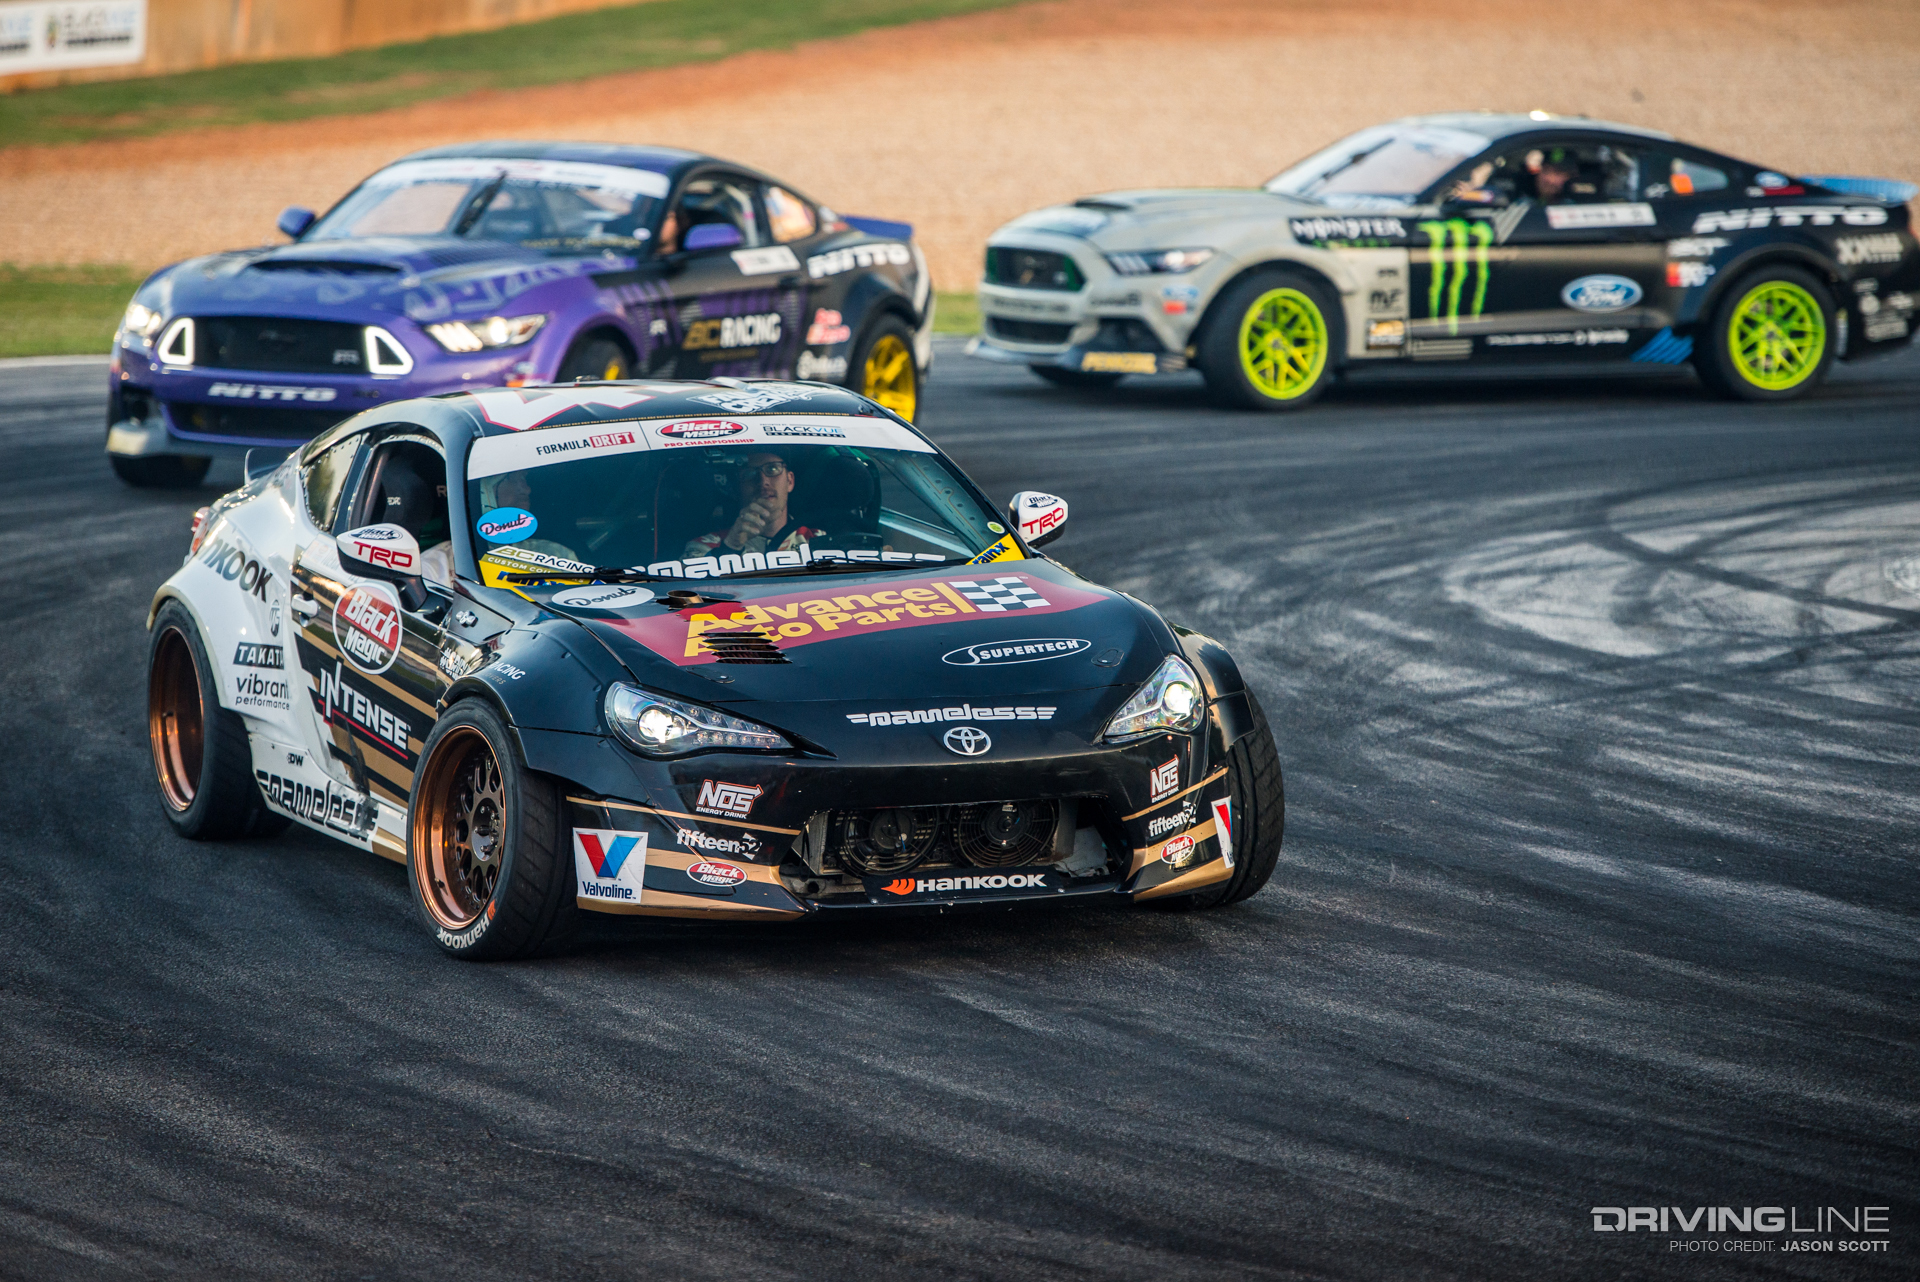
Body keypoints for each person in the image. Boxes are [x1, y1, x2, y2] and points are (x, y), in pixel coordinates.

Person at [684, 452, 824, 559]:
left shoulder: (818, 540)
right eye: (749, 474)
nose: (763, 482)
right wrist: (731, 547)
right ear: (736, 489)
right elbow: (693, 592)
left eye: (773, 469)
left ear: (790, 481)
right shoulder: (704, 546)